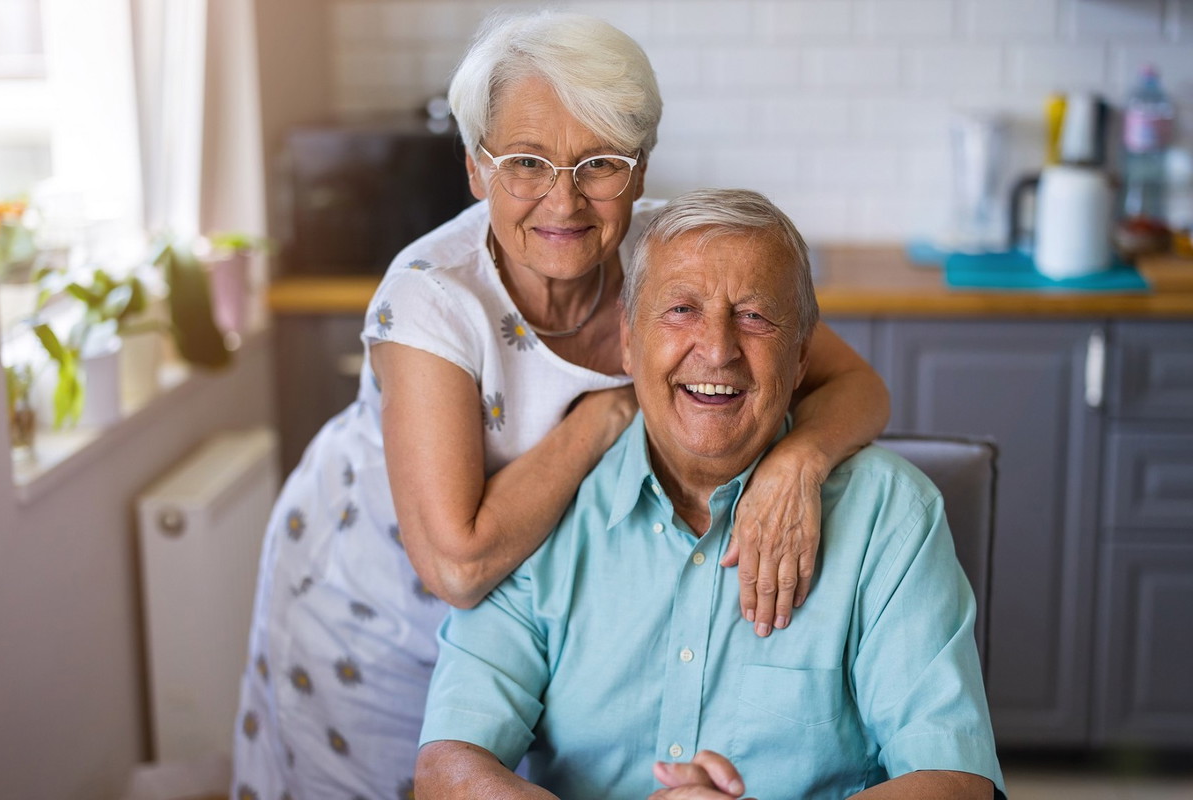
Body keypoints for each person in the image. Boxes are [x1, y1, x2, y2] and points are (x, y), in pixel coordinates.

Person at [232, 11, 890, 800]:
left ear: (642, 170)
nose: (564, 200)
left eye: (600, 163)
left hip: (539, 628)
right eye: (525, 162)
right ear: (476, 169)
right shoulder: (434, 297)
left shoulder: (670, 262)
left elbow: (858, 387)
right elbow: (457, 563)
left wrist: (797, 463)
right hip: (375, 616)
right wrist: (606, 415)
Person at [415, 190, 1005, 800]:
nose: (718, 349)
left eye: (754, 316)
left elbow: (954, 784)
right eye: (680, 310)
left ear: (801, 357)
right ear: (627, 340)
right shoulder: (548, 509)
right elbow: (450, 765)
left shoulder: (890, 515)